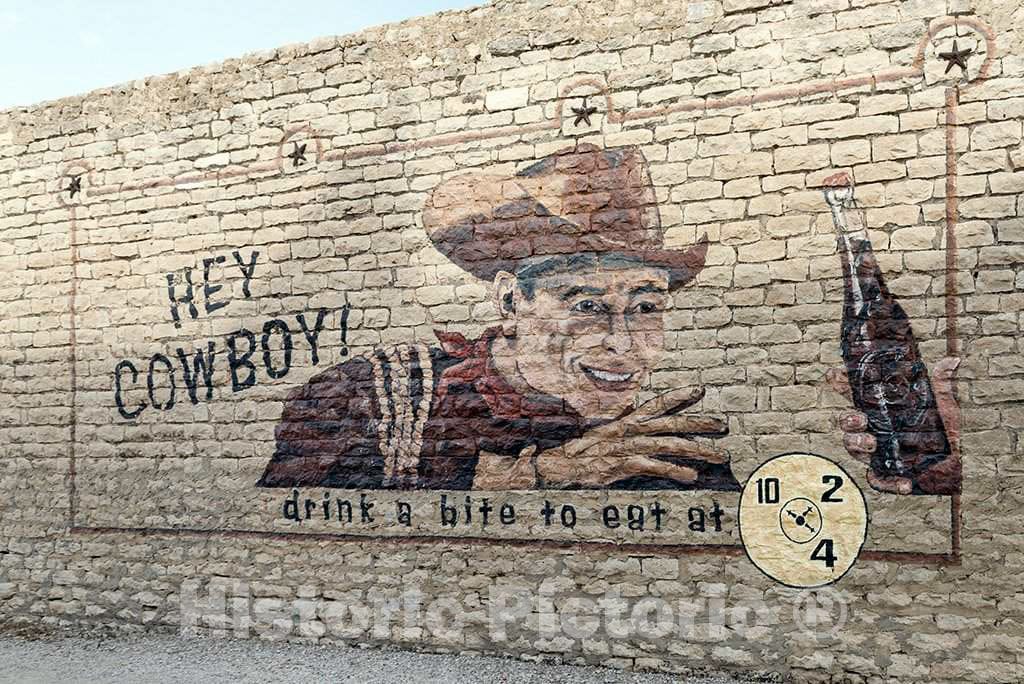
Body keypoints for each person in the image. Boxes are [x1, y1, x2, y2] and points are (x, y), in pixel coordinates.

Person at [257, 143, 739, 491]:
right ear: (510, 301)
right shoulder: (372, 398)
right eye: (587, 306)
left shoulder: (660, 446)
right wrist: (540, 474)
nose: (624, 343)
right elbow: (293, 509)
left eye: (646, 307)